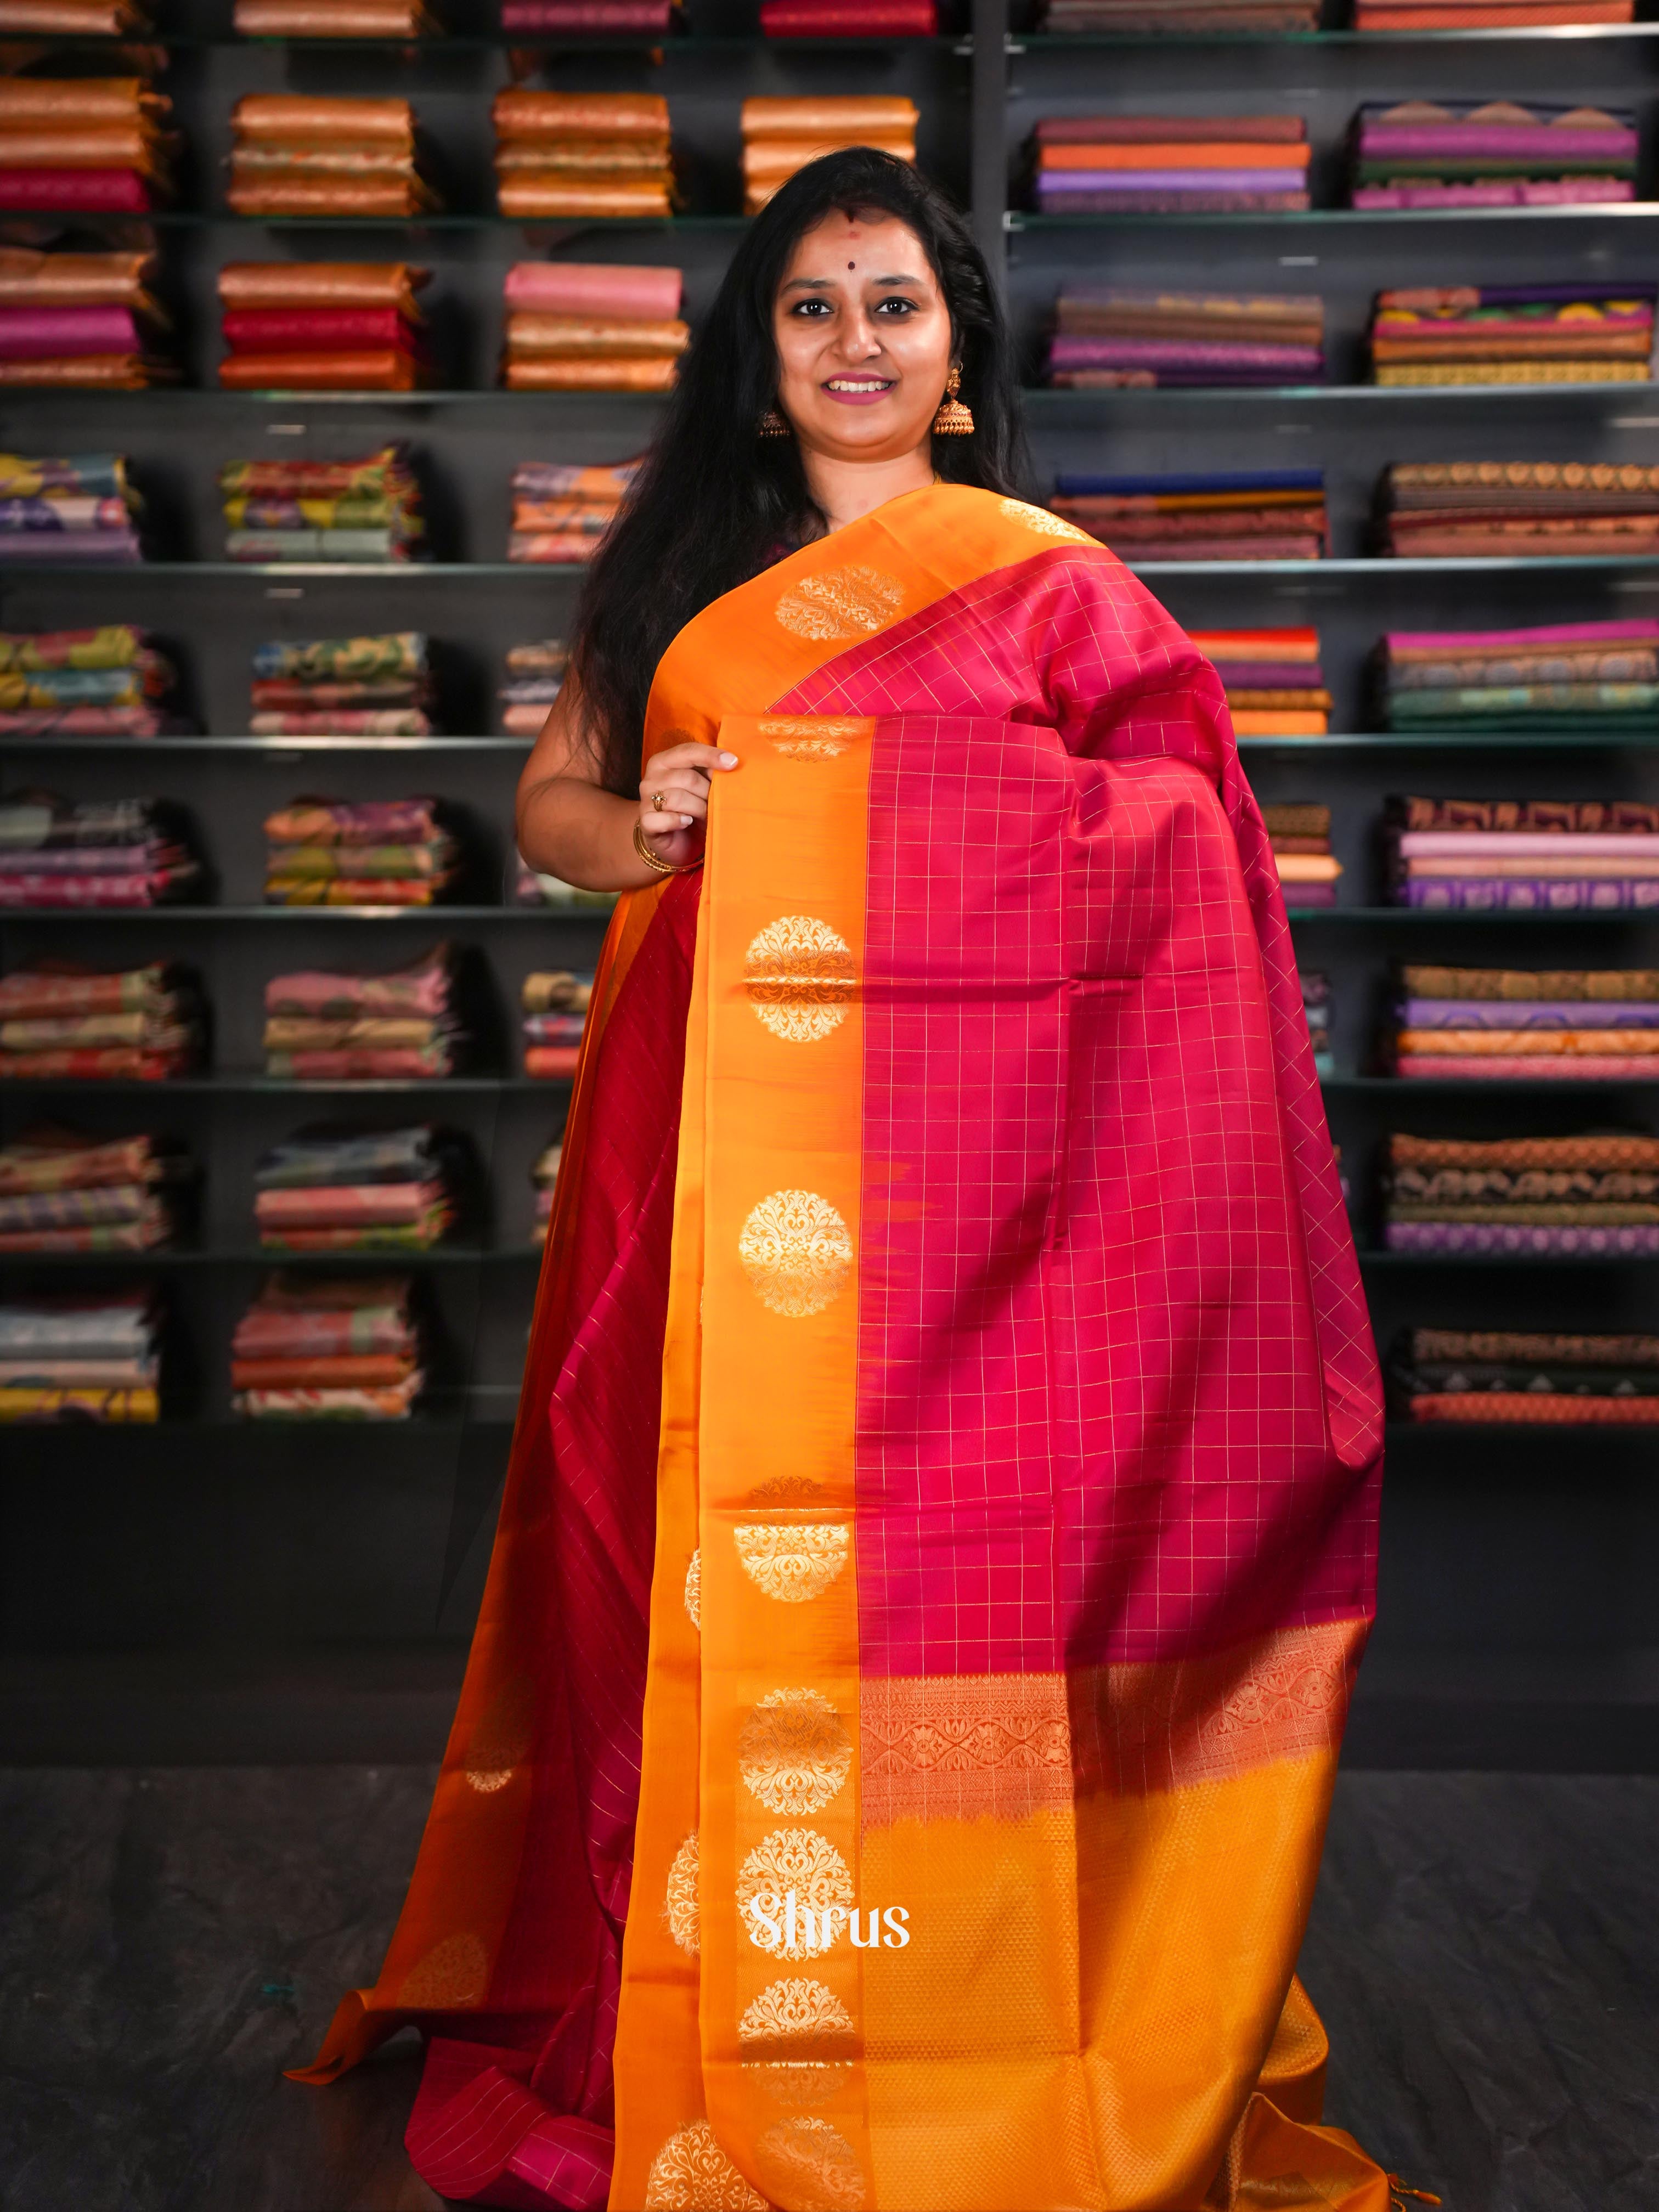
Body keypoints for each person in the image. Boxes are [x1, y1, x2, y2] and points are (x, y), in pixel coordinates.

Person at [295, 148, 1392, 2212]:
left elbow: (1179, 831)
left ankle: (980, 2004)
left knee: (986, 1584)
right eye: (812, 308)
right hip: (734, 1179)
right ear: (757, 356)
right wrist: (666, 818)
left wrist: (936, 817)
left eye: (894, 303)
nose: (856, 342)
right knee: (712, 1560)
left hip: (1003, 1211)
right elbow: (551, 805)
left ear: (959, 355)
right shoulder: (686, 593)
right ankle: (717, 1990)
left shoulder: (1059, 582)